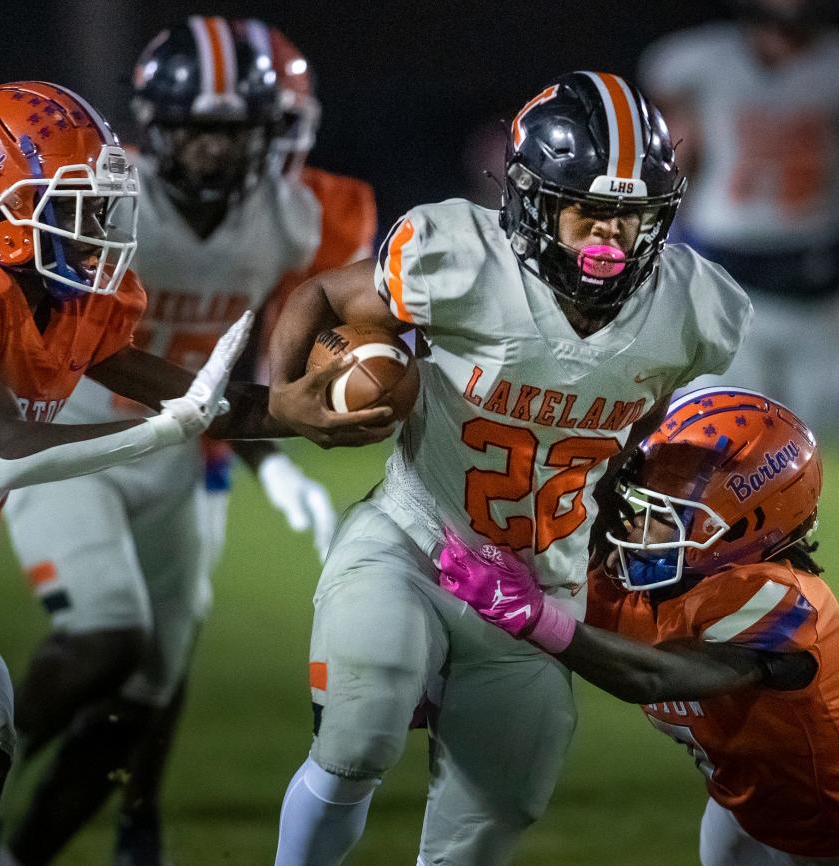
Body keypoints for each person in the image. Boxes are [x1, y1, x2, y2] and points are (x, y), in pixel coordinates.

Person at [0, 80, 328, 866]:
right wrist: (164, 432)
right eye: (71, 205)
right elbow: (4, 448)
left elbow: (184, 390)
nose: (96, 227)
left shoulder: (76, 306)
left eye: (100, 206)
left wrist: (290, 412)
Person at [268, 72, 752, 865]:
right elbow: (320, 294)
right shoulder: (458, 258)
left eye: (630, 221)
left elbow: (648, 417)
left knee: (499, 806)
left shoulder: (693, 309)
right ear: (532, 201)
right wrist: (286, 394)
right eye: (588, 214)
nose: (608, 242)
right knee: (359, 729)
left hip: (539, 585)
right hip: (415, 540)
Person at [0, 17, 377, 866]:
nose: (212, 151)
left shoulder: (297, 216)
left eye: (234, 131)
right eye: (198, 129)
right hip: (75, 440)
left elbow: (248, 361)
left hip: (172, 452)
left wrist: (271, 458)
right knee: (104, 634)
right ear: (158, 125)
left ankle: (20, 853)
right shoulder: (104, 194)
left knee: (147, 691)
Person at [438, 387, 839, 866]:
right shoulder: (635, 573)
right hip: (739, 798)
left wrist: (534, 617)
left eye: (661, 517)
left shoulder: (781, 606)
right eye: (638, 508)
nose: (634, 529)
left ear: (746, 526)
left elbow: (655, 677)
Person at [639, 0, 839, 434]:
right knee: (721, 424)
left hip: (818, 273)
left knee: (811, 435)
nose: (785, 36)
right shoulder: (708, 63)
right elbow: (663, 77)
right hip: (729, 267)